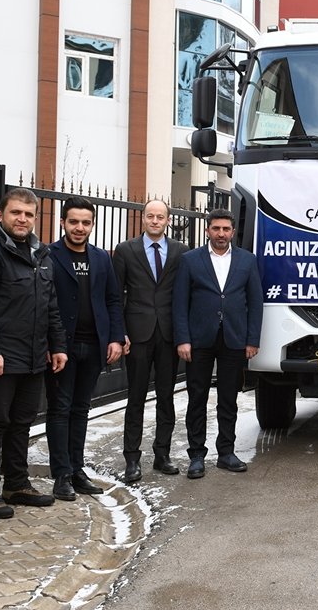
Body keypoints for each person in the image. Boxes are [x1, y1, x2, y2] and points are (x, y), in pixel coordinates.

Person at [0, 188, 68, 518]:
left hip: (34, 357)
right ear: (1, 216)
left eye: (28, 214)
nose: (22, 219)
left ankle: (16, 484)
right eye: (15, 213)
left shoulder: (41, 254)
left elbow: (50, 306)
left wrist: (58, 345)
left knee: (21, 423)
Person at [173, 209, 263, 479]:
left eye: (226, 229)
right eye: (216, 229)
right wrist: (183, 339)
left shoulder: (247, 260)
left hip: (234, 340)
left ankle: (226, 452)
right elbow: (180, 303)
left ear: (233, 232)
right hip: (199, 340)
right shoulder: (190, 260)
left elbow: (255, 303)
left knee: (228, 400)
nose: (221, 234)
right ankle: (197, 455)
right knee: (197, 398)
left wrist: (252, 339)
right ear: (207, 230)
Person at [45, 197, 125, 501]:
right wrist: (51, 344)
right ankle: (61, 475)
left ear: (92, 224)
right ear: (63, 222)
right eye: (74, 221)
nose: (80, 228)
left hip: (95, 345)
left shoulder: (102, 258)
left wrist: (116, 337)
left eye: (86, 222)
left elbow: (113, 299)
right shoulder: (49, 255)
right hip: (62, 347)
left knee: (81, 409)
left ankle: (77, 470)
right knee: (60, 408)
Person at [112, 199, 188, 483]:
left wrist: (183, 334)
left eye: (160, 217)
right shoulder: (125, 250)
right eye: (150, 216)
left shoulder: (181, 251)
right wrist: (121, 333)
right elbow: (116, 295)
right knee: (136, 397)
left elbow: (183, 295)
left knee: (167, 397)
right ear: (142, 219)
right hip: (137, 335)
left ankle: (162, 454)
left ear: (167, 220)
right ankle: (132, 459)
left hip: (168, 335)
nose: (155, 221)